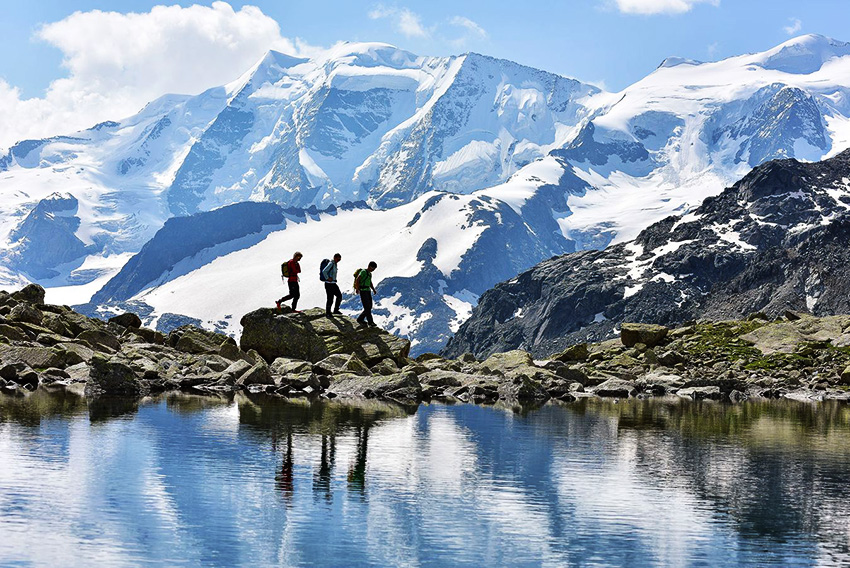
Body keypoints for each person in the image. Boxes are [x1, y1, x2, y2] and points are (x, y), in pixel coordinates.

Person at [355, 261, 378, 327]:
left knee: (369, 306)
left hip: (368, 290)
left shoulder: (370, 274)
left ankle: (360, 319)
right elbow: (358, 279)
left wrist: (373, 289)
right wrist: (357, 288)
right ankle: (370, 322)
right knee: (367, 307)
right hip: (363, 291)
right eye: (373, 268)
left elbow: (370, 282)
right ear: (369, 266)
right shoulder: (363, 272)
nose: (373, 270)